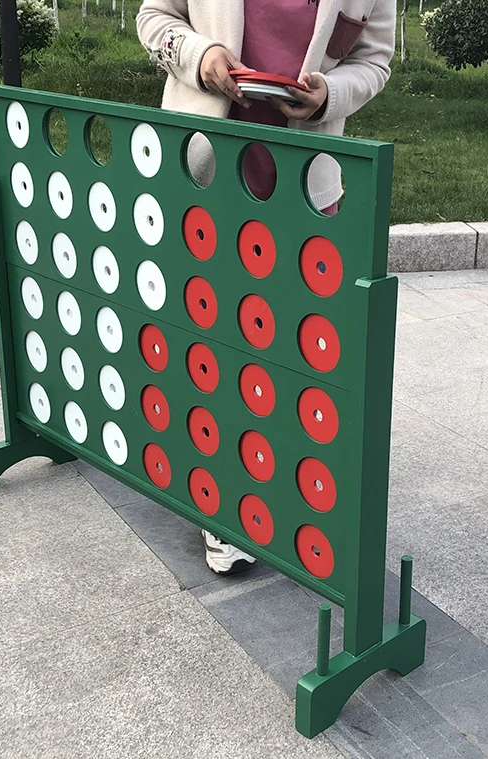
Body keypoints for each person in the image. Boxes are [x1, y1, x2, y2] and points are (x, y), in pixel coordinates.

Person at [137, 0, 395, 575]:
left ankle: (289, 488)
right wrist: (201, 59)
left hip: (307, 181)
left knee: (298, 348)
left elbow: (375, 63)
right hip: (203, 172)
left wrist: (328, 94)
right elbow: (154, 17)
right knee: (211, 341)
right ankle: (222, 506)